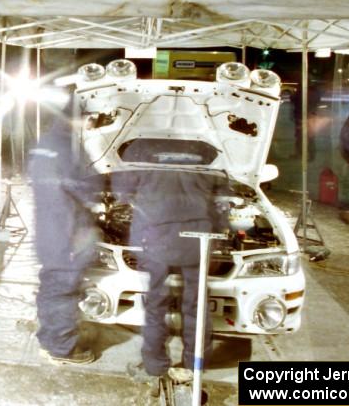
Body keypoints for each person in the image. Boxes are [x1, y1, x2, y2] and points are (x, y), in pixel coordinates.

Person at [114, 158, 229, 390]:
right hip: (197, 237)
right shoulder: (206, 148)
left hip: (158, 235)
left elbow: (122, 191)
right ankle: (192, 366)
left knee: (156, 304)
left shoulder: (146, 147)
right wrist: (218, 230)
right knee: (196, 304)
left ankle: (154, 366)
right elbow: (223, 195)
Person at [27, 95, 101, 365]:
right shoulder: (67, 147)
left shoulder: (44, 142)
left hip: (48, 227)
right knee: (62, 287)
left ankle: (52, 334)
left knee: (52, 283)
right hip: (67, 231)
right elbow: (82, 186)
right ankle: (59, 348)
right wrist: (97, 201)